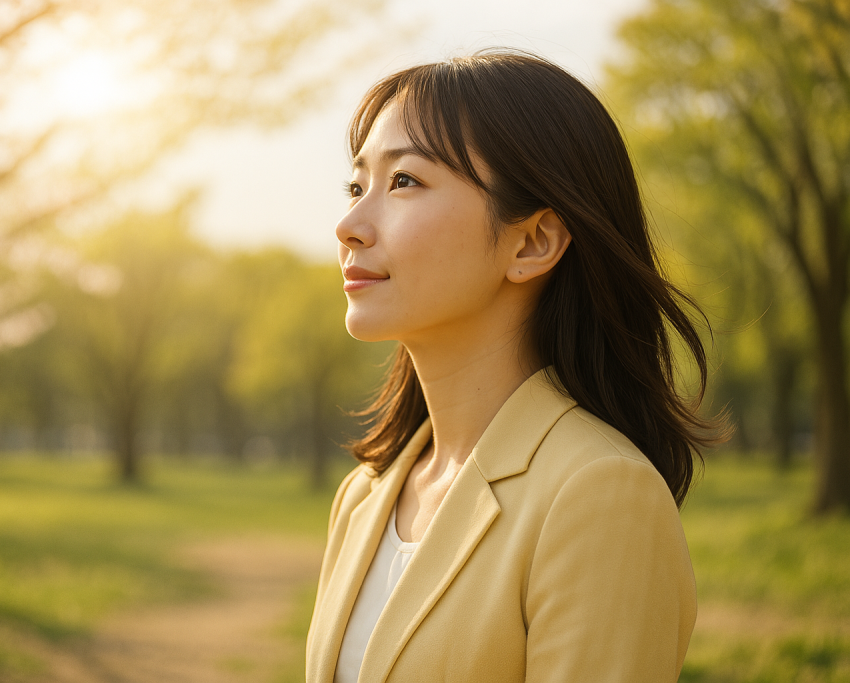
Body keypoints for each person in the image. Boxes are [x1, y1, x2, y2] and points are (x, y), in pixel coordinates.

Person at [305, 50, 723, 683]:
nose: (349, 226)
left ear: (532, 242)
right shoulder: (365, 494)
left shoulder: (600, 495)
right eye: (357, 186)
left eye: (405, 181)